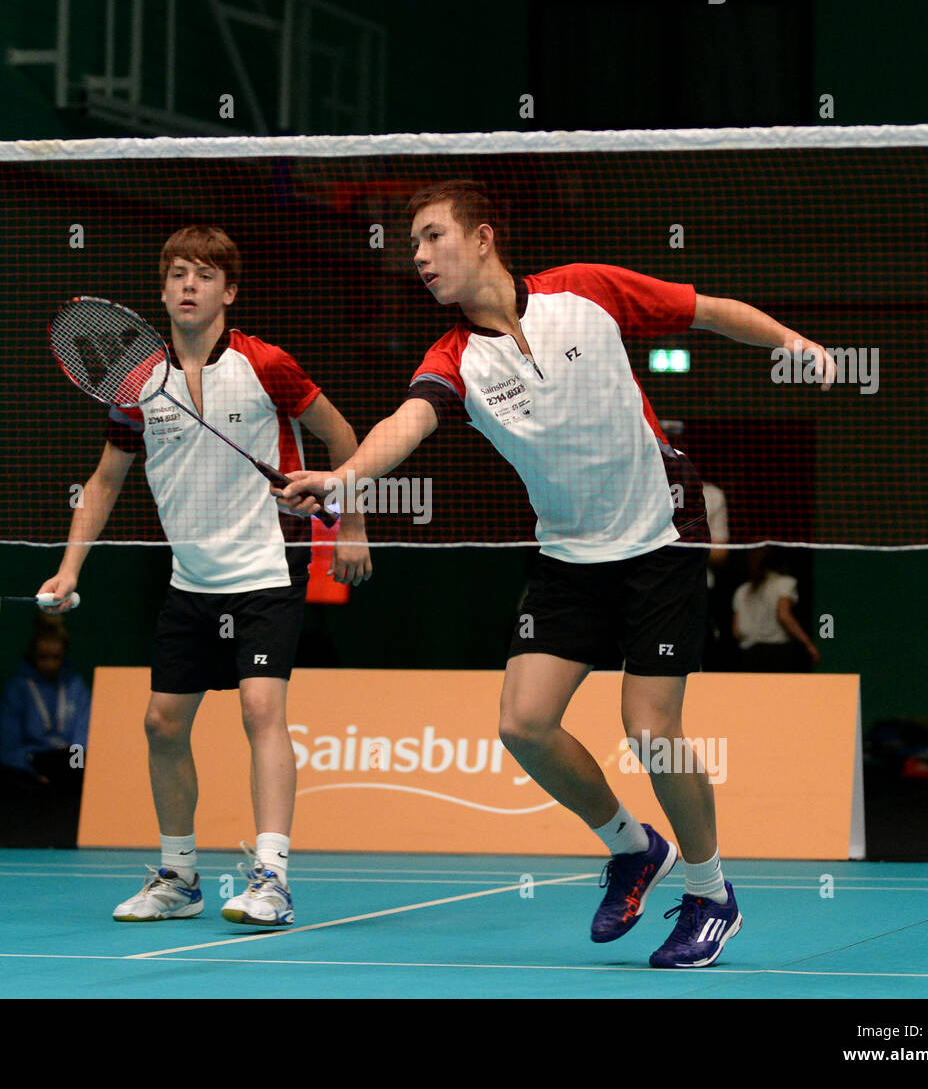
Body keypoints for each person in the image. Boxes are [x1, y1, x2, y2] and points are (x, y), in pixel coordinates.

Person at [282, 180, 834, 967]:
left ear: (482, 239)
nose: (419, 256)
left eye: (433, 237)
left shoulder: (587, 291)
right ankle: (633, 847)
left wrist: (791, 342)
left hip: (660, 534)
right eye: (411, 245)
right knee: (523, 723)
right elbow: (406, 422)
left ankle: (712, 894)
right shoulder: (455, 358)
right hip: (570, 555)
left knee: (653, 733)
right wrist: (345, 481)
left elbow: (705, 309)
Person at [39, 225, 371, 926]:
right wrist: (68, 570)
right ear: (162, 290)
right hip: (191, 582)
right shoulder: (137, 385)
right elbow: (103, 484)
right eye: (179, 274)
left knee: (260, 710)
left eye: (205, 275)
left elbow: (343, 439)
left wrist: (350, 525)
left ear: (229, 291)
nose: (190, 285)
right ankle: (179, 878)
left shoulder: (266, 363)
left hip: (265, 570)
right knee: (162, 724)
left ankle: (272, 878)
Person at [0, 615, 92, 792]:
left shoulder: (76, 686)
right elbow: (9, 746)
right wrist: (30, 771)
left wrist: (76, 772)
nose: (50, 664)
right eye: (43, 657)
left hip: (70, 764)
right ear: (33, 654)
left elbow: (83, 737)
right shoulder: (17, 688)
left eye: (56, 657)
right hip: (33, 765)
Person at [731, 547, 820, 671]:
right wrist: (808, 644)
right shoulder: (785, 583)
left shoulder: (741, 591)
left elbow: (736, 632)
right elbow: (784, 615)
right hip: (777, 654)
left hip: (749, 656)